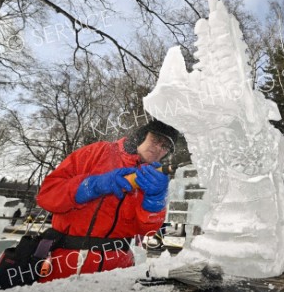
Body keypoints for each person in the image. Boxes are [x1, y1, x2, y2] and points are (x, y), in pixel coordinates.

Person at [35, 120, 179, 282]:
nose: (158, 148)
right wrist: (91, 186)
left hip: (117, 271)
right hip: (63, 263)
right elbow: (46, 195)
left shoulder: (153, 179)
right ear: (141, 136)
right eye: (155, 140)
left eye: (165, 146)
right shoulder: (97, 152)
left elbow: (147, 233)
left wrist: (155, 202)